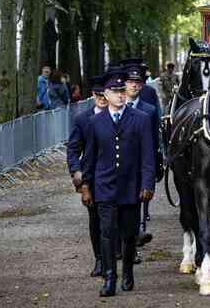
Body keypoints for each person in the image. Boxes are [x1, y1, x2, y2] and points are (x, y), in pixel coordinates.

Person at [80, 69, 155, 297]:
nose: (121, 94)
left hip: (131, 187)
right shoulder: (94, 122)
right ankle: (110, 277)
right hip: (104, 187)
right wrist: (85, 187)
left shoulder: (140, 119)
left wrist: (147, 185)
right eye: (116, 91)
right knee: (106, 233)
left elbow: (148, 156)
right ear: (106, 94)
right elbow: (89, 158)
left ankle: (128, 272)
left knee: (129, 234)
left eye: (123, 90)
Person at [67, 75, 108, 277]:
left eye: (104, 95)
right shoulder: (82, 120)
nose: (102, 98)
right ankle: (100, 259)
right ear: (93, 95)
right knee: (96, 221)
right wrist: (77, 173)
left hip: (115, 177)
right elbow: (73, 149)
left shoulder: (119, 115)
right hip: (92, 177)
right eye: (98, 95)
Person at [122, 61, 162, 261]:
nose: (135, 85)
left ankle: (136, 235)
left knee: (136, 204)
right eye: (130, 81)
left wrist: (158, 159)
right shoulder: (114, 104)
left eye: (139, 81)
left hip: (140, 163)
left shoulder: (149, 108)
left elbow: (155, 135)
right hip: (118, 165)